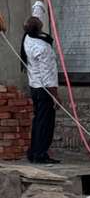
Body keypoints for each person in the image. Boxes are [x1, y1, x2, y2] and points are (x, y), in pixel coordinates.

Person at [20, 15, 60, 165]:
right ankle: (40, 155)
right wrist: (55, 96)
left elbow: (35, 15)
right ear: (40, 28)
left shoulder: (28, 38)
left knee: (38, 121)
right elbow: (47, 75)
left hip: (35, 88)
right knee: (45, 124)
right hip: (45, 90)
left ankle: (33, 152)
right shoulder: (43, 48)